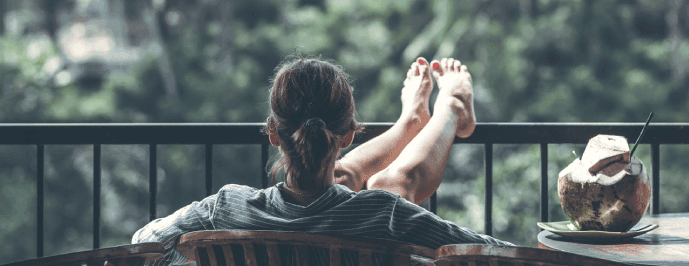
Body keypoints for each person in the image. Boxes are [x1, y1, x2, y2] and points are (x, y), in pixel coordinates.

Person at [132, 55, 514, 266]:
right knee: (388, 186)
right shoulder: (385, 215)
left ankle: (414, 120)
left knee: (364, 185)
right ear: (349, 134)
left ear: (272, 132)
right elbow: (491, 255)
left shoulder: (225, 209)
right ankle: (445, 107)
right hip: (369, 211)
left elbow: (144, 243)